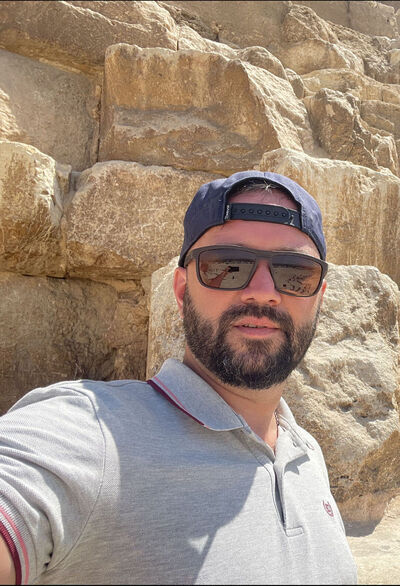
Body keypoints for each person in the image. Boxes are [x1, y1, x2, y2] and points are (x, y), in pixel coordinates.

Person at [0, 171, 357, 585]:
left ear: (319, 298)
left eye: (296, 273)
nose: (263, 291)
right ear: (182, 290)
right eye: (227, 265)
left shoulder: (306, 454)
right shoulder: (94, 434)